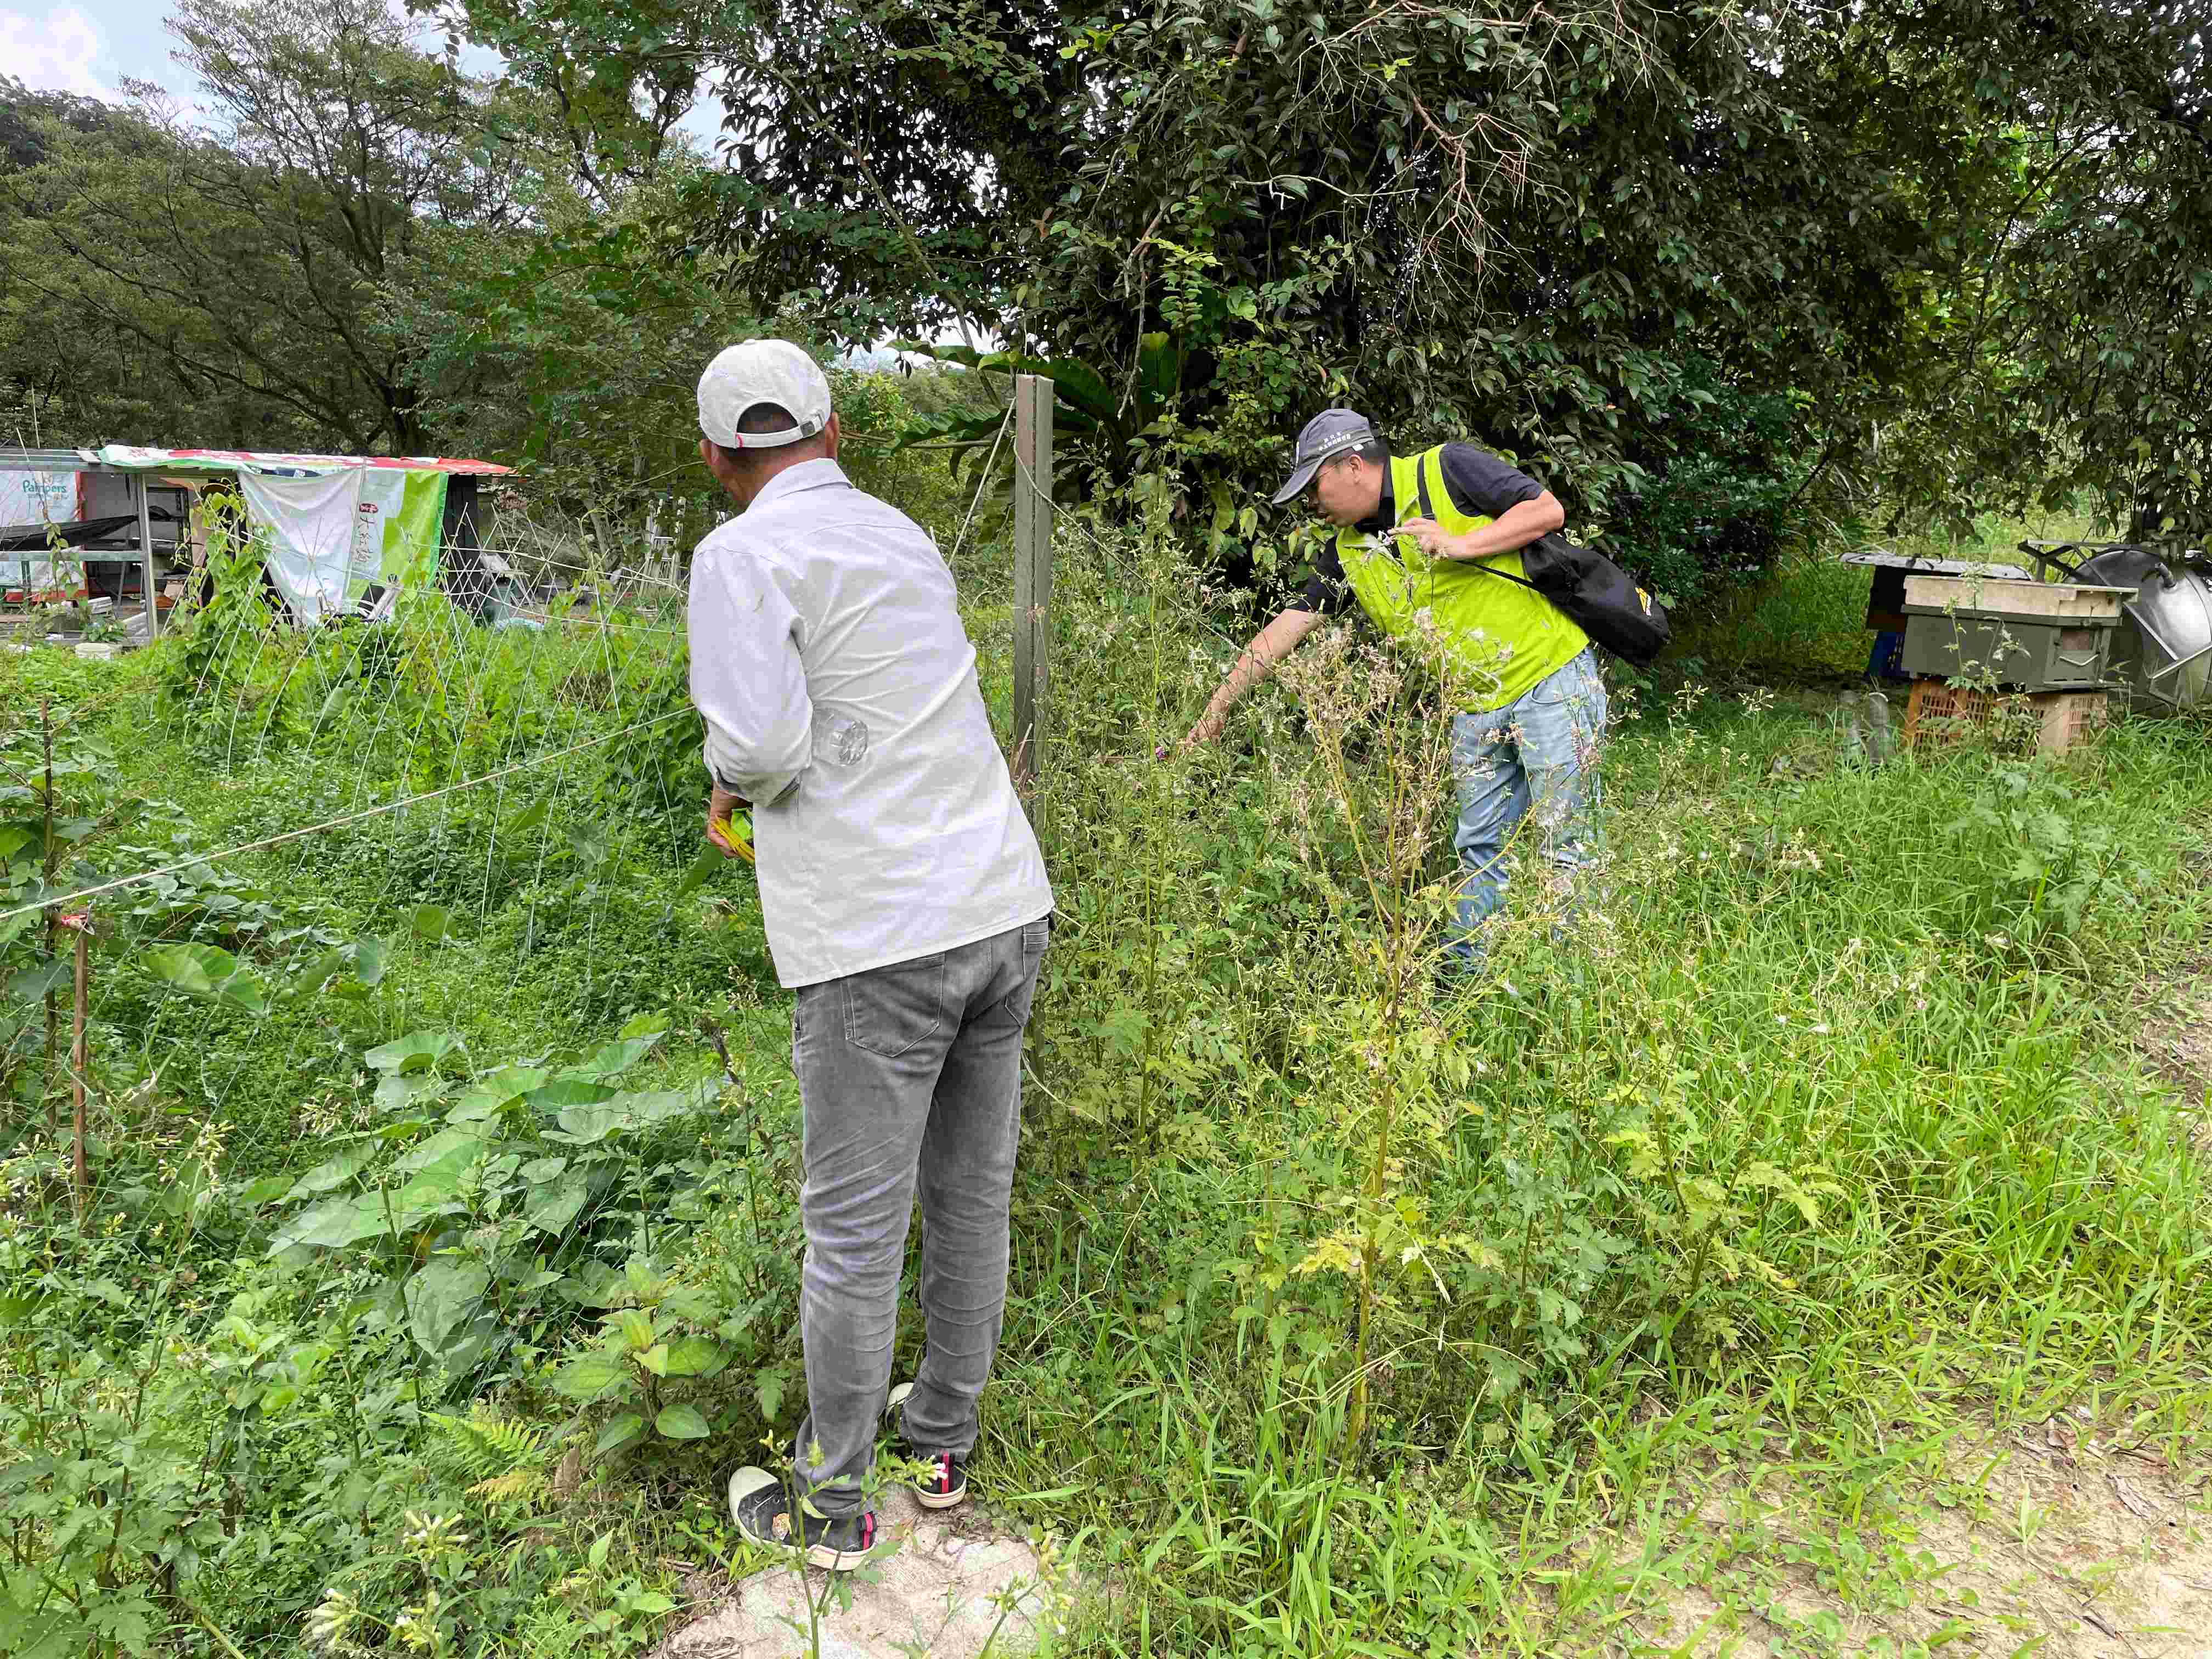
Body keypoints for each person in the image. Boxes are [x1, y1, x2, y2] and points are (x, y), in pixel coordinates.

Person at [686, 338, 1054, 1569]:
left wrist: (726, 782)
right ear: (834, 435)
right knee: (969, 1195)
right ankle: (940, 1441)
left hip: (877, 936)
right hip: (1001, 903)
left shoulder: (738, 554)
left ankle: (831, 1512)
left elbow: (764, 743)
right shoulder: (897, 533)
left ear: (718, 458)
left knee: (851, 1232)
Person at [1184, 408, 1606, 971]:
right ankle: (1468, 987)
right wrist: (1216, 712)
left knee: (1565, 846)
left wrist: (1461, 543)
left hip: (1550, 681)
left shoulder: (1446, 470)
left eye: (1315, 485)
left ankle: (1572, 993)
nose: (1312, 502)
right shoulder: (1350, 552)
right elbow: (1282, 631)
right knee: (1478, 852)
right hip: (1474, 708)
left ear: (1353, 466)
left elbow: (1547, 509)